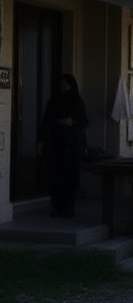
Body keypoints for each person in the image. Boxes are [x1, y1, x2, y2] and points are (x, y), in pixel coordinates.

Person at [38, 74, 89, 218]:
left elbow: (84, 121)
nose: (64, 88)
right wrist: (41, 141)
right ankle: (57, 207)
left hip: (72, 145)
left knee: (70, 178)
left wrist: (72, 122)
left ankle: (68, 208)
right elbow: (46, 122)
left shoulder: (78, 102)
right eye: (62, 85)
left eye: (66, 85)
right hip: (55, 144)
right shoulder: (53, 102)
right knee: (55, 178)